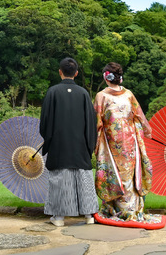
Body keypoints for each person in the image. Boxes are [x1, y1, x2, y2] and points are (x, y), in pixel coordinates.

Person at [39, 57, 98, 227]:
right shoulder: (83, 93)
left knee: (60, 179)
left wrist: (48, 138)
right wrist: (90, 144)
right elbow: (91, 122)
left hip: (59, 144)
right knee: (84, 179)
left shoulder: (52, 92)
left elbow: (45, 121)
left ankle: (59, 217)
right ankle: (89, 215)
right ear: (76, 73)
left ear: (60, 72)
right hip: (80, 145)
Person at [94, 62, 153, 222]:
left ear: (106, 76)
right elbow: (139, 115)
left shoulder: (101, 96)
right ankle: (131, 208)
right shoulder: (128, 94)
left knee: (115, 173)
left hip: (112, 141)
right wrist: (147, 131)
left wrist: (94, 141)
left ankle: (118, 209)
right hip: (130, 140)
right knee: (128, 173)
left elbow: (97, 121)